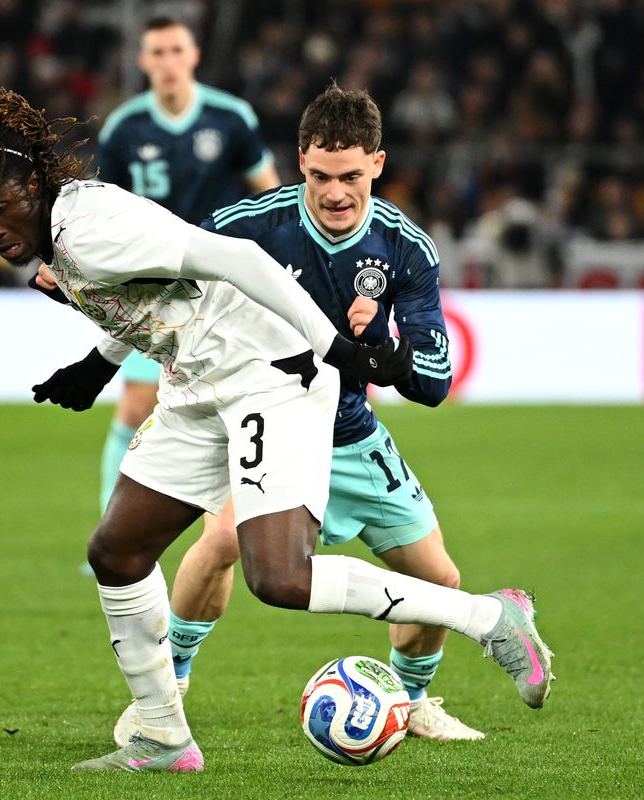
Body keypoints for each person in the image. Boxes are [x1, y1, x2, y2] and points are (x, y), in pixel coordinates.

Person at [0, 86, 554, 773]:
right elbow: (157, 297)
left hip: (269, 375)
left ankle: (490, 618)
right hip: (198, 384)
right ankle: (164, 738)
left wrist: (335, 346)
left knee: (279, 577)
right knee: (117, 551)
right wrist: (97, 363)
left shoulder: (93, 227)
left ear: (30, 182)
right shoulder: (63, 231)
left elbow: (240, 262)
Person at [111, 84, 497, 746]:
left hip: (348, 434)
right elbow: (162, 287)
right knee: (225, 539)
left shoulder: (406, 249)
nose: (335, 192)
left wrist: (387, 353)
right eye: (320, 175)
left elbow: (435, 381)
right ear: (300, 162)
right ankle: (163, 691)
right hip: (266, 427)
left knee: (441, 579)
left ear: (378, 163)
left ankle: (409, 702)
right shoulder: (249, 226)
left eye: (350, 176)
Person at [95, 16, 280, 518]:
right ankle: (113, 530)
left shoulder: (230, 117)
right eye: (157, 52)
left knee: (231, 403)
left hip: (222, 287)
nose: (168, 62)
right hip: (149, 288)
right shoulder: (124, 128)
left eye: (176, 50)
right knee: (136, 407)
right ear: (142, 61)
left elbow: (269, 194)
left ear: (193, 55)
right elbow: (100, 208)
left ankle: (229, 525)